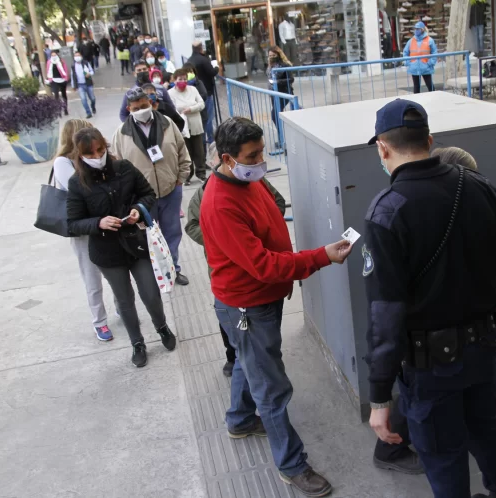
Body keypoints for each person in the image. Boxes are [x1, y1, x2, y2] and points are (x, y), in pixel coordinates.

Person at [364, 99, 496, 498]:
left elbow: (385, 316)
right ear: (430, 140)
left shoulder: (387, 212)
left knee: (442, 453)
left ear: (383, 148)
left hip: (431, 366)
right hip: (483, 349)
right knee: (486, 428)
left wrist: (379, 395)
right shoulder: (477, 185)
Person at [200, 117, 353, 497]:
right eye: (252, 156)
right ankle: (291, 464)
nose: (260, 161)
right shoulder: (221, 203)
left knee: (246, 361)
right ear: (227, 158)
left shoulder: (245, 180)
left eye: (262, 151)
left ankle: (239, 420)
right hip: (247, 307)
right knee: (271, 388)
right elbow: (264, 265)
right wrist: (320, 257)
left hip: (254, 305)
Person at [66, 127, 177, 368]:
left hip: (136, 243)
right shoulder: (77, 183)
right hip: (107, 251)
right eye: (90, 154)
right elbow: (72, 223)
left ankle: (162, 326)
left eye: (100, 150)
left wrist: (138, 209)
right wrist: (98, 222)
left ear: (106, 146)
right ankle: (137, 343)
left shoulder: (124, 168)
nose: (97, 157)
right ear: (80, 155)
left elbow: (148, 194)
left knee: (150, 292)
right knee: (124, 299)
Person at [185, 149, 286, 377]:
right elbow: (191, 226)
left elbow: (277, 203)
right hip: (228, 274)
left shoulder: (256, 183)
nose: (259, 162)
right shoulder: (206, 194)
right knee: (231, 321)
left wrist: (258, 232)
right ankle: (232, 357)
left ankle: (242, 392)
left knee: (260, 337)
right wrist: (225, 239)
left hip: (260, 268)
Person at [111, 87, 191, 286]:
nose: (141, 110)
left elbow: (182, 151)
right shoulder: (121, 134)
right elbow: (118, 167)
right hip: (142, 198)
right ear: (129, 109)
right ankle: (156, 274)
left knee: (172, 232)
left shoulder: (167, 123)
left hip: (170, 190)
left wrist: (180, 178)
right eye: (136, 108)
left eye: (144, 106)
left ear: (151, 103)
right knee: (148, 237)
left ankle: (173, 270)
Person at [53, 119, 113, 342]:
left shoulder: (96, 159)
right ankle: (100, 321)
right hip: (81, 228)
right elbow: (79, 189)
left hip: (104, 221)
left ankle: (120, 307)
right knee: (92, 277)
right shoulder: (62, 163)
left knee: (114, 269)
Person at [168, 68, 206, 184]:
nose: (183, 81)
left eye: (185, 79)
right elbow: (172, 108)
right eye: (180, 79)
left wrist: (191, 108)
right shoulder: (170, 93)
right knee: (186, 152)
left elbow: (201, 104)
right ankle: (187, 176)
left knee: (199, 151)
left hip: (195, 124)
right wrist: (183, 109)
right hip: (182, 127)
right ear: (174, 80)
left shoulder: (193, 90)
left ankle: (201, 173)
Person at [188, 40, 219, 143]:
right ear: (201, 48)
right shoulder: (204, 60)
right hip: (207, 91)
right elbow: (211, 72)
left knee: (202, 117)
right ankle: (210, 138)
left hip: (195, 93)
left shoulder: (189, 60)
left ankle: (202, 139)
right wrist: (217, 68)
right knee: (209, 117)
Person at [403, 21, 437, 93]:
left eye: (418, 29)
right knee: (416, 87)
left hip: (426, 67)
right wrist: (408, 63)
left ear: (422, 29)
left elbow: (434, 53)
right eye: (415, 29)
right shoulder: (411, 41)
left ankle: (435, 100)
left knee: (430, 86)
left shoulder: (429, 40)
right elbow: (405, 52)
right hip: (414, 67)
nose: (416, 30)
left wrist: (430, 63)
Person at [266, 46, 295, 129]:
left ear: (278, 55)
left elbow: (291, 79)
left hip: (284, 92)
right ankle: (282, 137)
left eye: (273, 55)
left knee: (274, 115)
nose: (271, 57)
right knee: (277, 115)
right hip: (273, 93)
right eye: (270, 55)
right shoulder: (270, 65)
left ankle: (283, 136)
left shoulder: (284, 65)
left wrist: (277, 82)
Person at [70, 50, 97, 118]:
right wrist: (73, 85)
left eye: (78, 55)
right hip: (80, 85)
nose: (77, 57)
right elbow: (72, 76)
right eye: (76, 56)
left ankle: (93, 107)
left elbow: (92, 71)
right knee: (83, 99)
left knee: (92, 98)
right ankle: (88, 112)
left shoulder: (86, 63)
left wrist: (89, 74)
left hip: (88, 83)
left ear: (81, 56)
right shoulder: (73, 66)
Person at [46, 50, 69, 114]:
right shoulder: (49, 62)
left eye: (54, 55)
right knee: (56, 95)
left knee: (64, 94)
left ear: (57, 55)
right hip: (54, 80)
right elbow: (48, 71)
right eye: (52, 55)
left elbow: (65, 70)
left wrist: (66, 79)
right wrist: (49, 80)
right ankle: (58, 109)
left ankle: (65, 109)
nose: (53, 56)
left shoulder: (61, 61)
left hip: (62, 80)